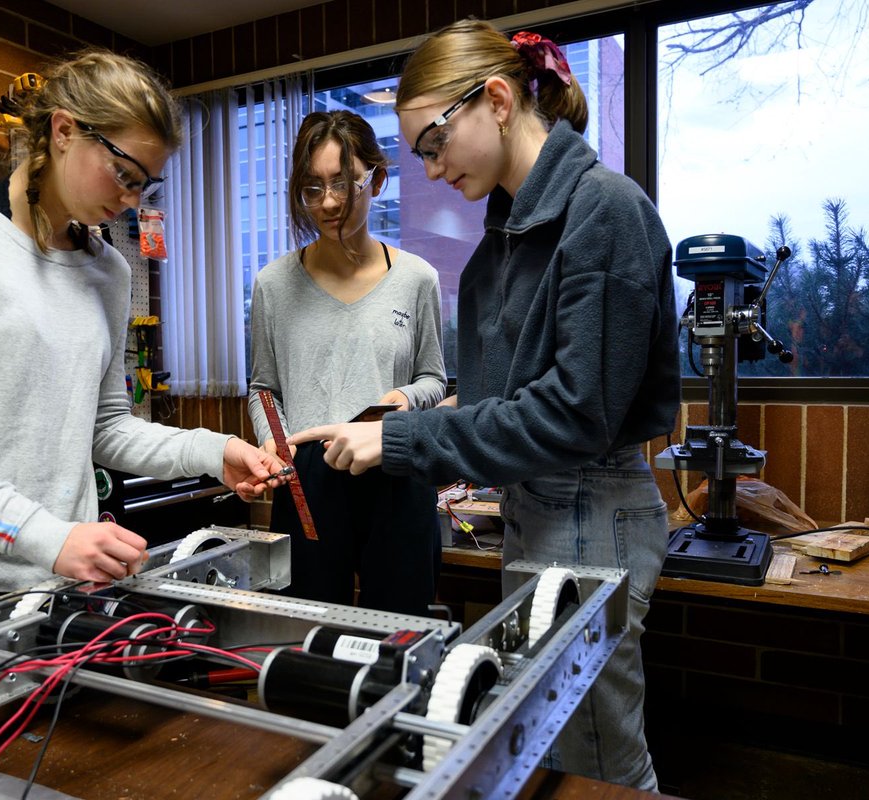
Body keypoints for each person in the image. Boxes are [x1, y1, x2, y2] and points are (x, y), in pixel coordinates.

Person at [289, 20, 680, 791]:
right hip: (540, 507)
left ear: (496, 100)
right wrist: (381, 427)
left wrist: (400, 445)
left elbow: (574, 416)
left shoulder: (603, 213)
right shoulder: (506, 235)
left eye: (433, 143)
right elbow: (501, 399)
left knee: (597, 758)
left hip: (590, 509)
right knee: (549, 749)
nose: (430, 170)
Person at [0, 48, 287, 636]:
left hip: (54, 592)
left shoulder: (109, 272)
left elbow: (107, 426)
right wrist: (44, 535)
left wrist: (215, 452)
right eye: (126, 174)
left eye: (147, 185)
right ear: (63, 130)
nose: (134, 199)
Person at [247, 110, 447, 616]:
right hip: (307, 478)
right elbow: (264, 388)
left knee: (402, 628)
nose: (328, 203)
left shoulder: (417, 278)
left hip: (396, 465)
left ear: (375, 179)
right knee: (303, 630)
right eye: (312, 189)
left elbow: (434, 380)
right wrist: (272, 438)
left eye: (342, 185)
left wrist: (402, 398)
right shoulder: (273, 285)